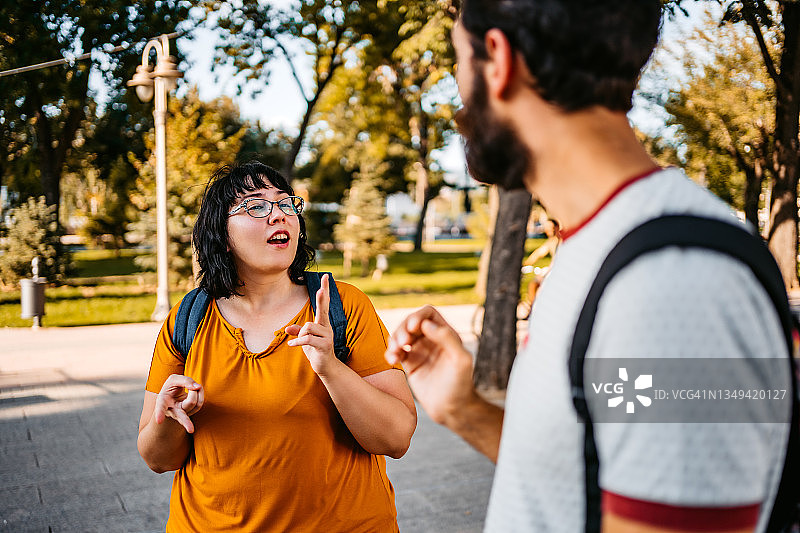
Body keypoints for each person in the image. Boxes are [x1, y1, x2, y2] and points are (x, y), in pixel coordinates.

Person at [385, 2, 792, 532]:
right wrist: (466, 411)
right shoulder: (604, 248)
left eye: (458, 63)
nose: (457, 103)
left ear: (498, 59)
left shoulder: (669, 284)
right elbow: (581, 482)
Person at [138, 161, 416, 532]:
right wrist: (169, 416)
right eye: (255, 206)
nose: (277, 216)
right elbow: (158, 459)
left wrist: (330, 367)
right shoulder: (187, 318)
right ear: (222, 234)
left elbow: (396, 439)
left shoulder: (342, 306)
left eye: (286, 204)